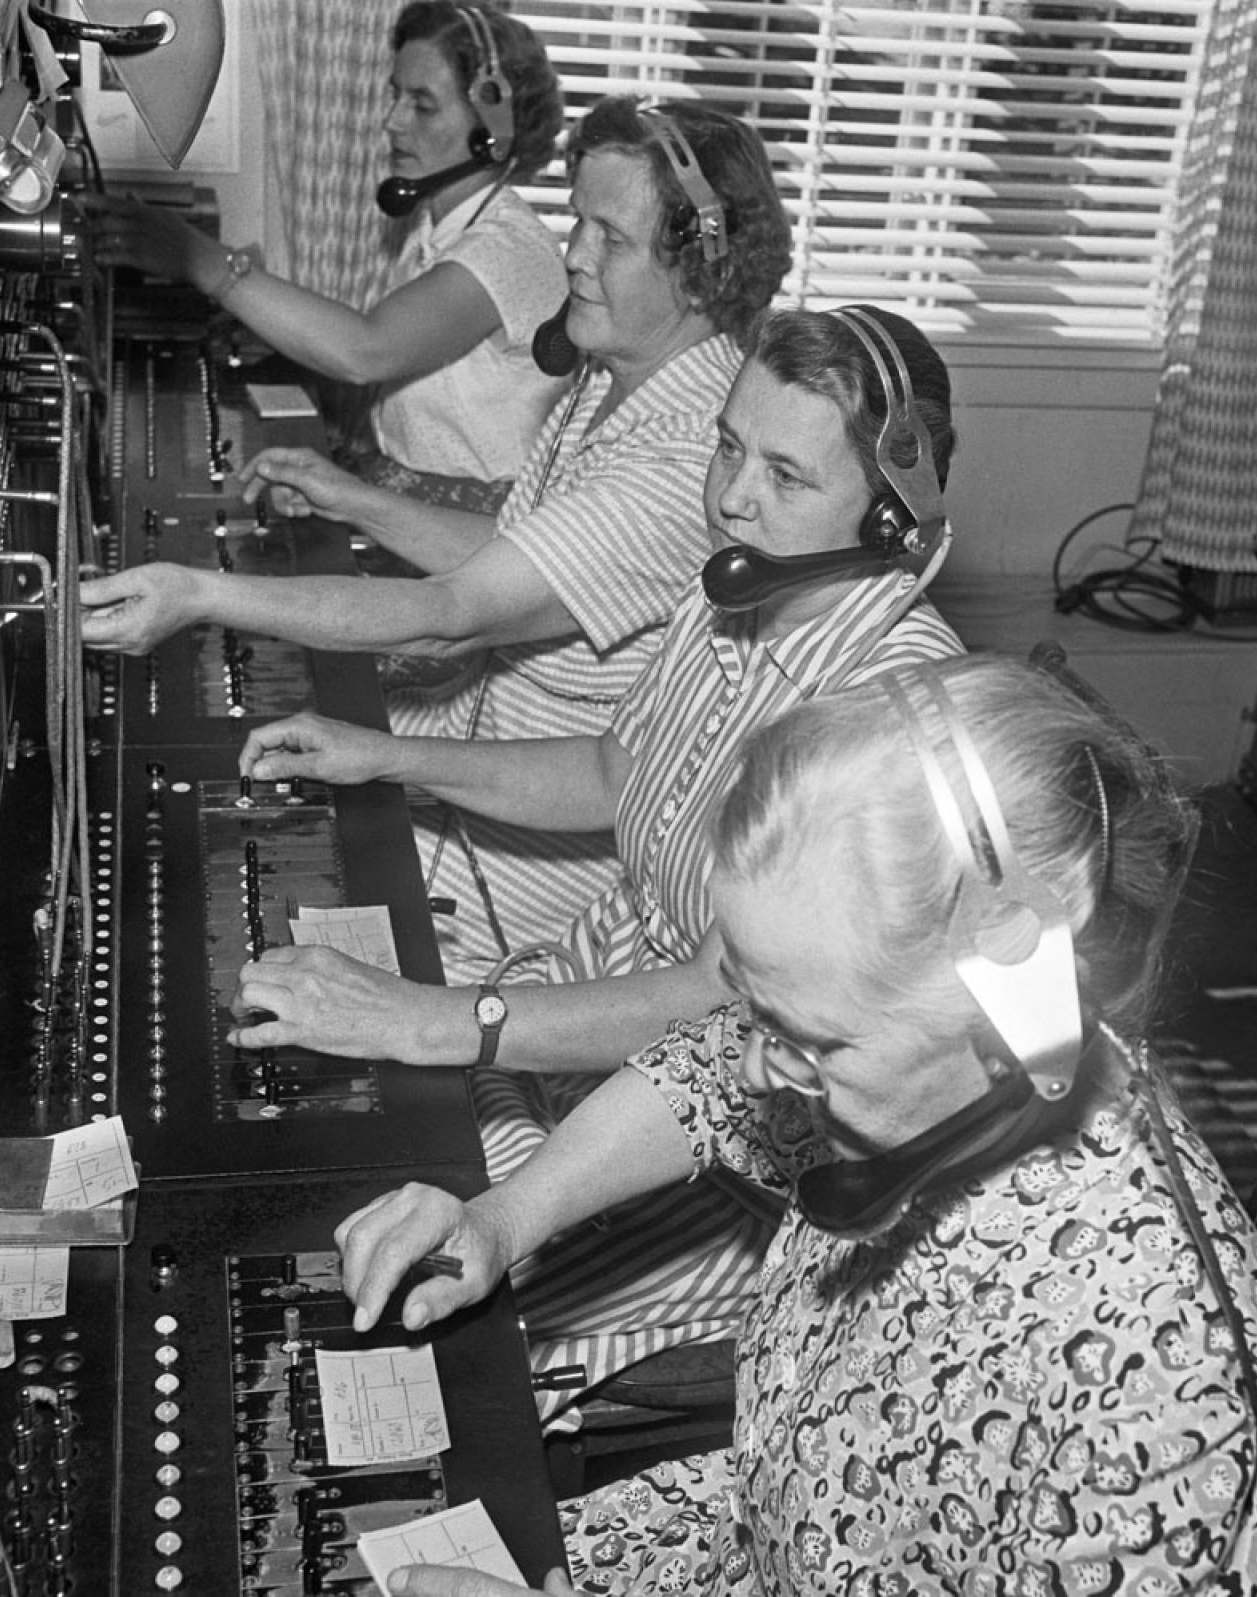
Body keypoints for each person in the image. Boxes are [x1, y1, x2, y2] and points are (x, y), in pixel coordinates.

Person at [336, 652, 1257, 1595]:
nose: (754, 1064)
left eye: (803, 1039)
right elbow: (703, 1074)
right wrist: (502, 1216)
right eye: (753, 1005)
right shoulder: (917, 1068)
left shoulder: (1168, 1396)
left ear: (1012, 1004)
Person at [231, 305, 965, 1419]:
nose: (732, 496)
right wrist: (388, 757)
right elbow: (614, 772)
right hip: (574, 1004)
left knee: (392, 1318)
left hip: (723, 1157)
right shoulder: (741, 587)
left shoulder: (882, 720)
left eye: (784, 474)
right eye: (728, 447)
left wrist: (433, 1018)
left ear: (890, 515)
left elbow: (716, 1004)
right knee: (339, 1140)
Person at [81, 96, 793, 977]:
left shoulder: (688, 452)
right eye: (577, 222)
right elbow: (521, 549)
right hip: (460, 776)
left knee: (193, 912)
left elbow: (452, 615)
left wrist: (198, 593)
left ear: (703, 272)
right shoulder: (619, 375)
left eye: (612, 238)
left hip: (513, 879)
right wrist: (355, 501)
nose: (574, 256)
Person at [91, 1, 569, 499]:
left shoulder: (506, 251)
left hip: (481, 525)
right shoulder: (436, 226)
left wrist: (198, 258)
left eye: (423, 105)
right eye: (396, 96)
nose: (393, 121)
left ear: (494, 131)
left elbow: (367, 351)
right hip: (409, 489)